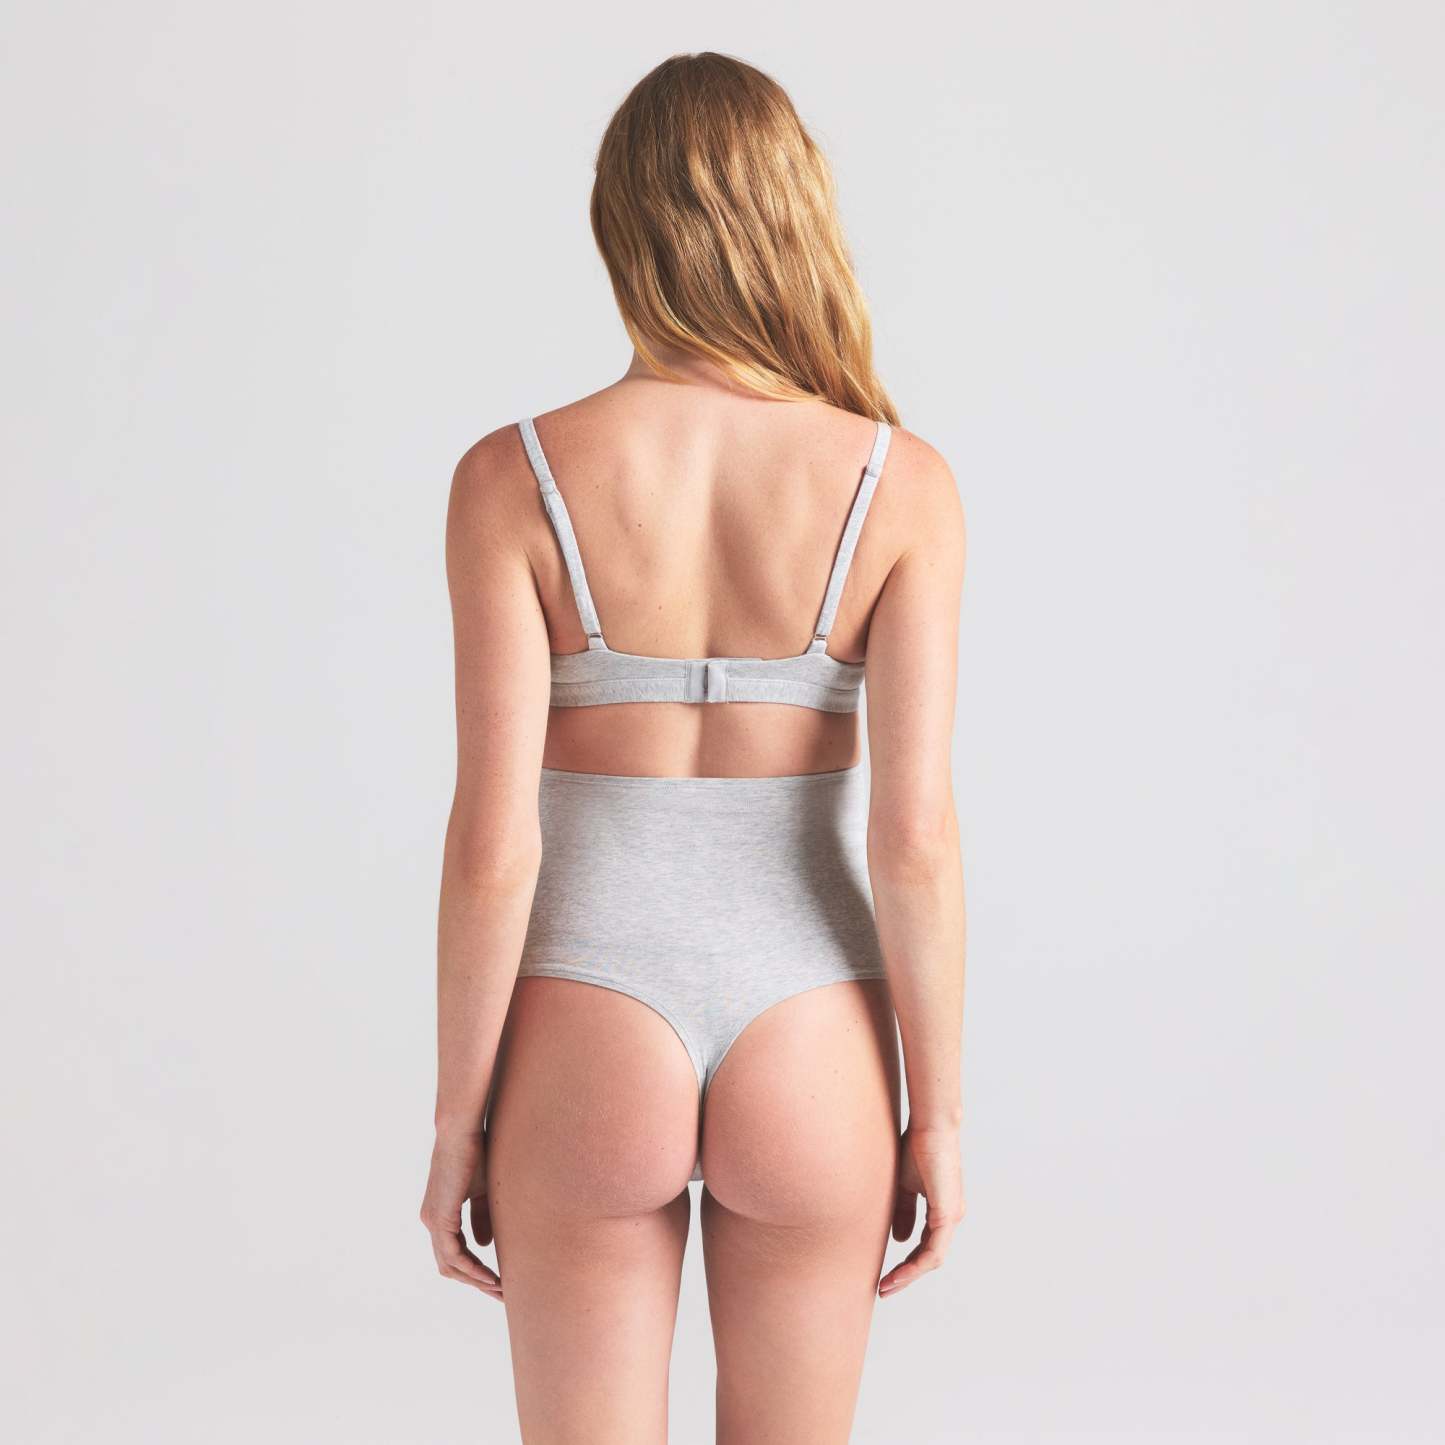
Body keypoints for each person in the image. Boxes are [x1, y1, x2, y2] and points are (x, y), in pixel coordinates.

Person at [420, 50, 967, 1444]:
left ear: (621, 226)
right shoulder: (898, 484)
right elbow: (912, 839)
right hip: (813, 1024)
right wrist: (939, 1118)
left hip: (585, 1015)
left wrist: (456, 1122)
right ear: (793, 213)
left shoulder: (511, 477)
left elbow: (493, 846)